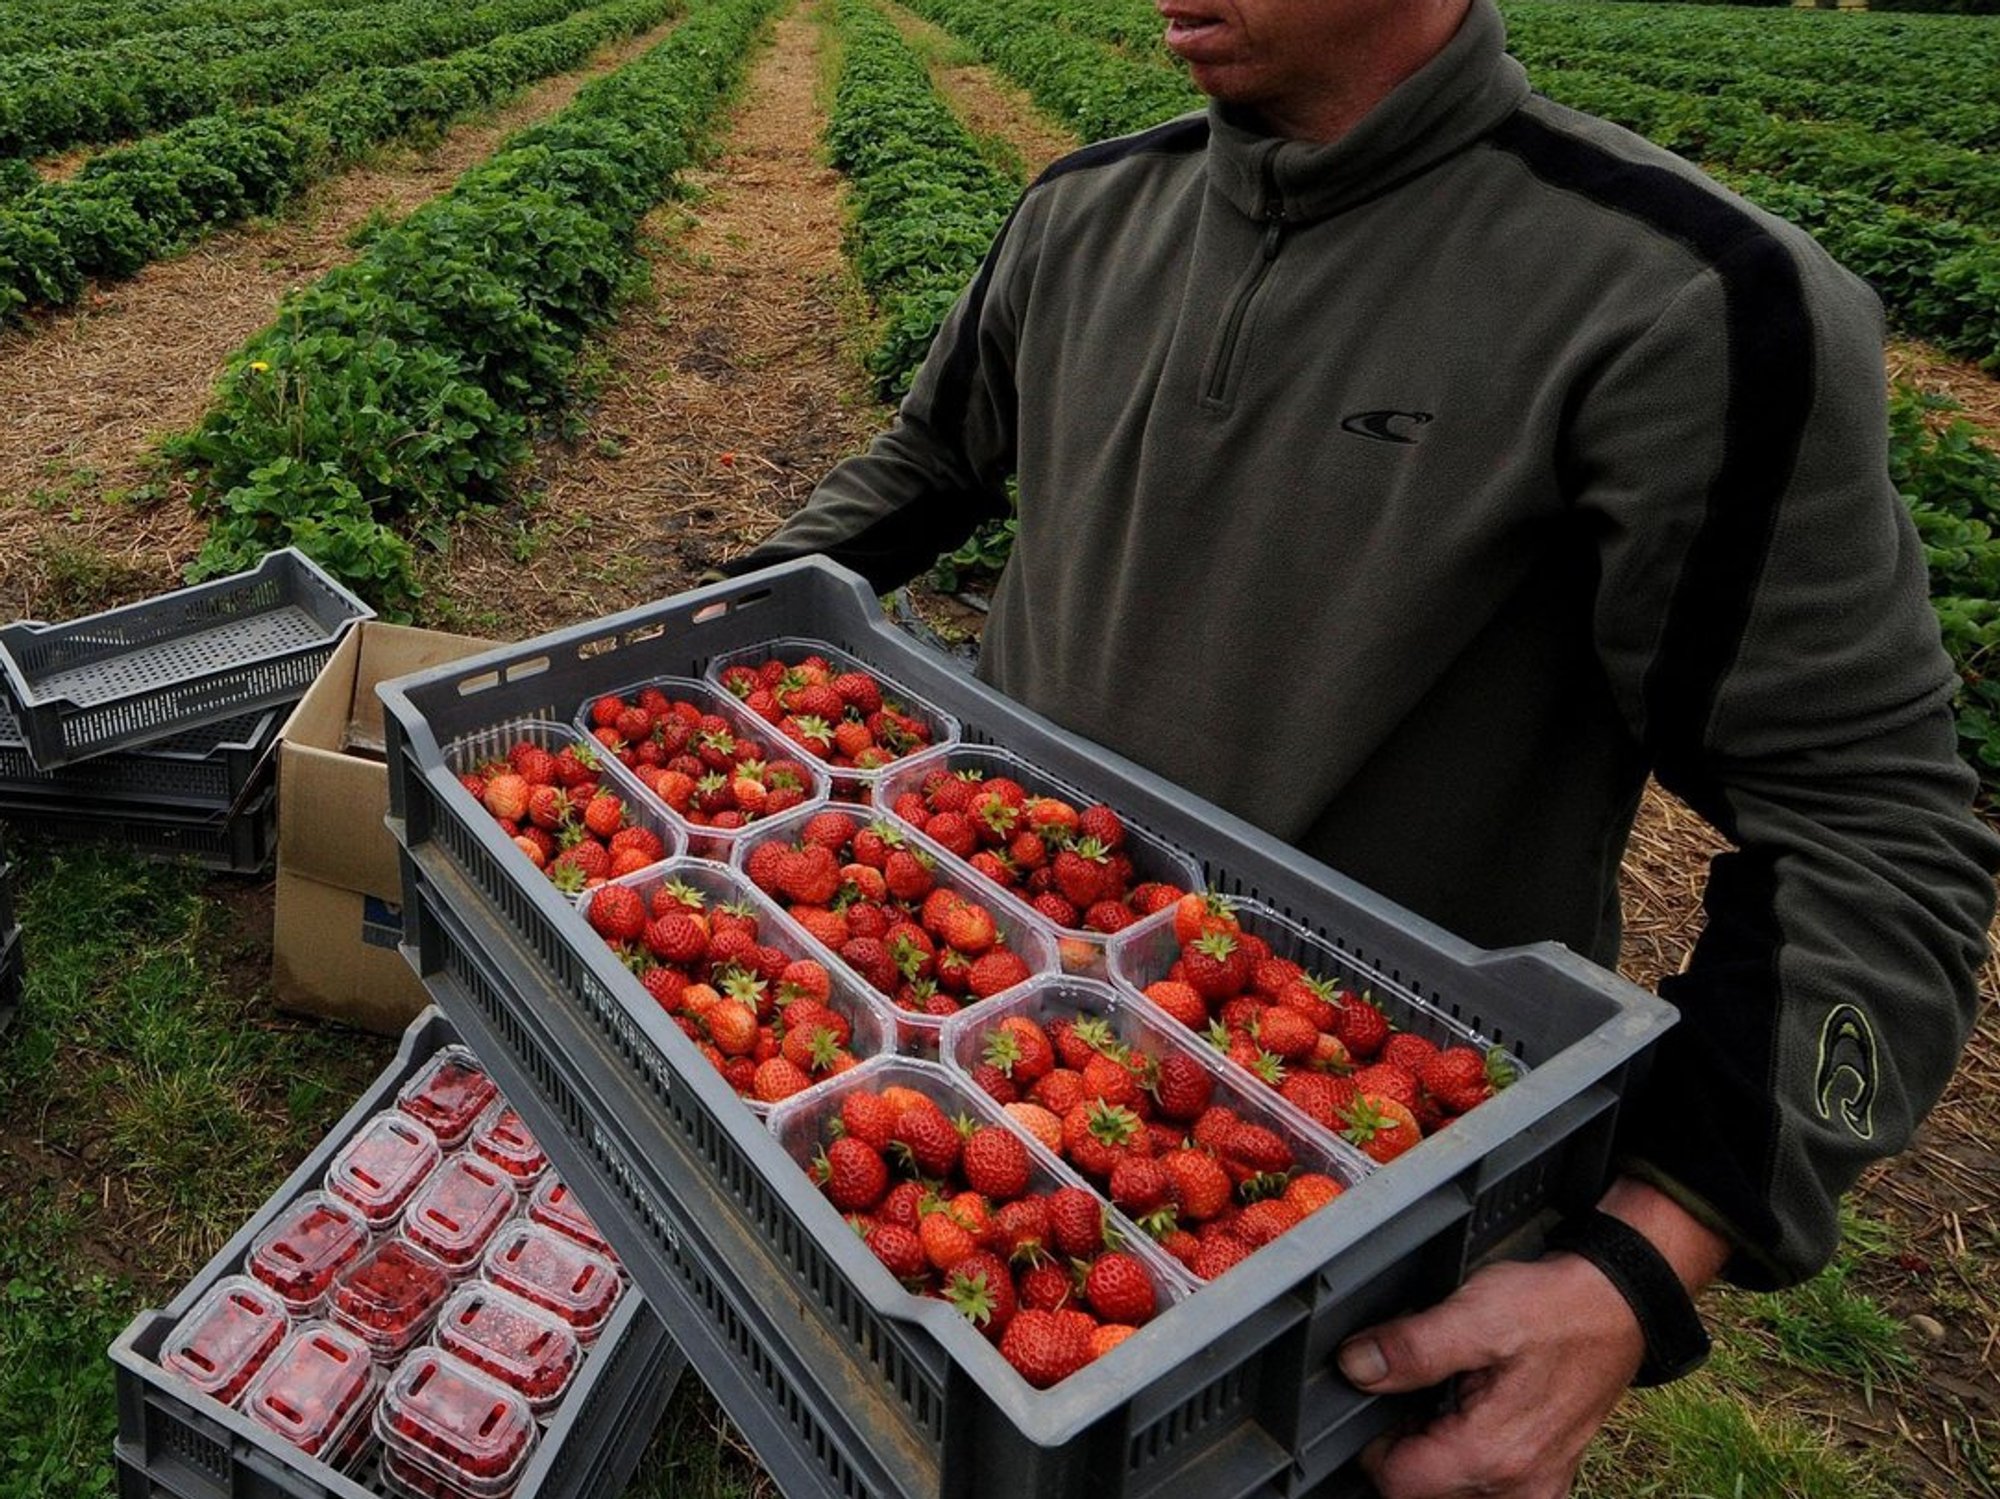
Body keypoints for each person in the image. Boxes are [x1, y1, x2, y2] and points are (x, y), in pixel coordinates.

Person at [722, 0, 2000, 1492]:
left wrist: (1644, 1261)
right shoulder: (1085, 211)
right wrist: (715, 629)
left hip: (1344, 1167)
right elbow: (935, 456)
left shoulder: (1687, 299)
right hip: (967, 1000)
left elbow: (1875, 827)